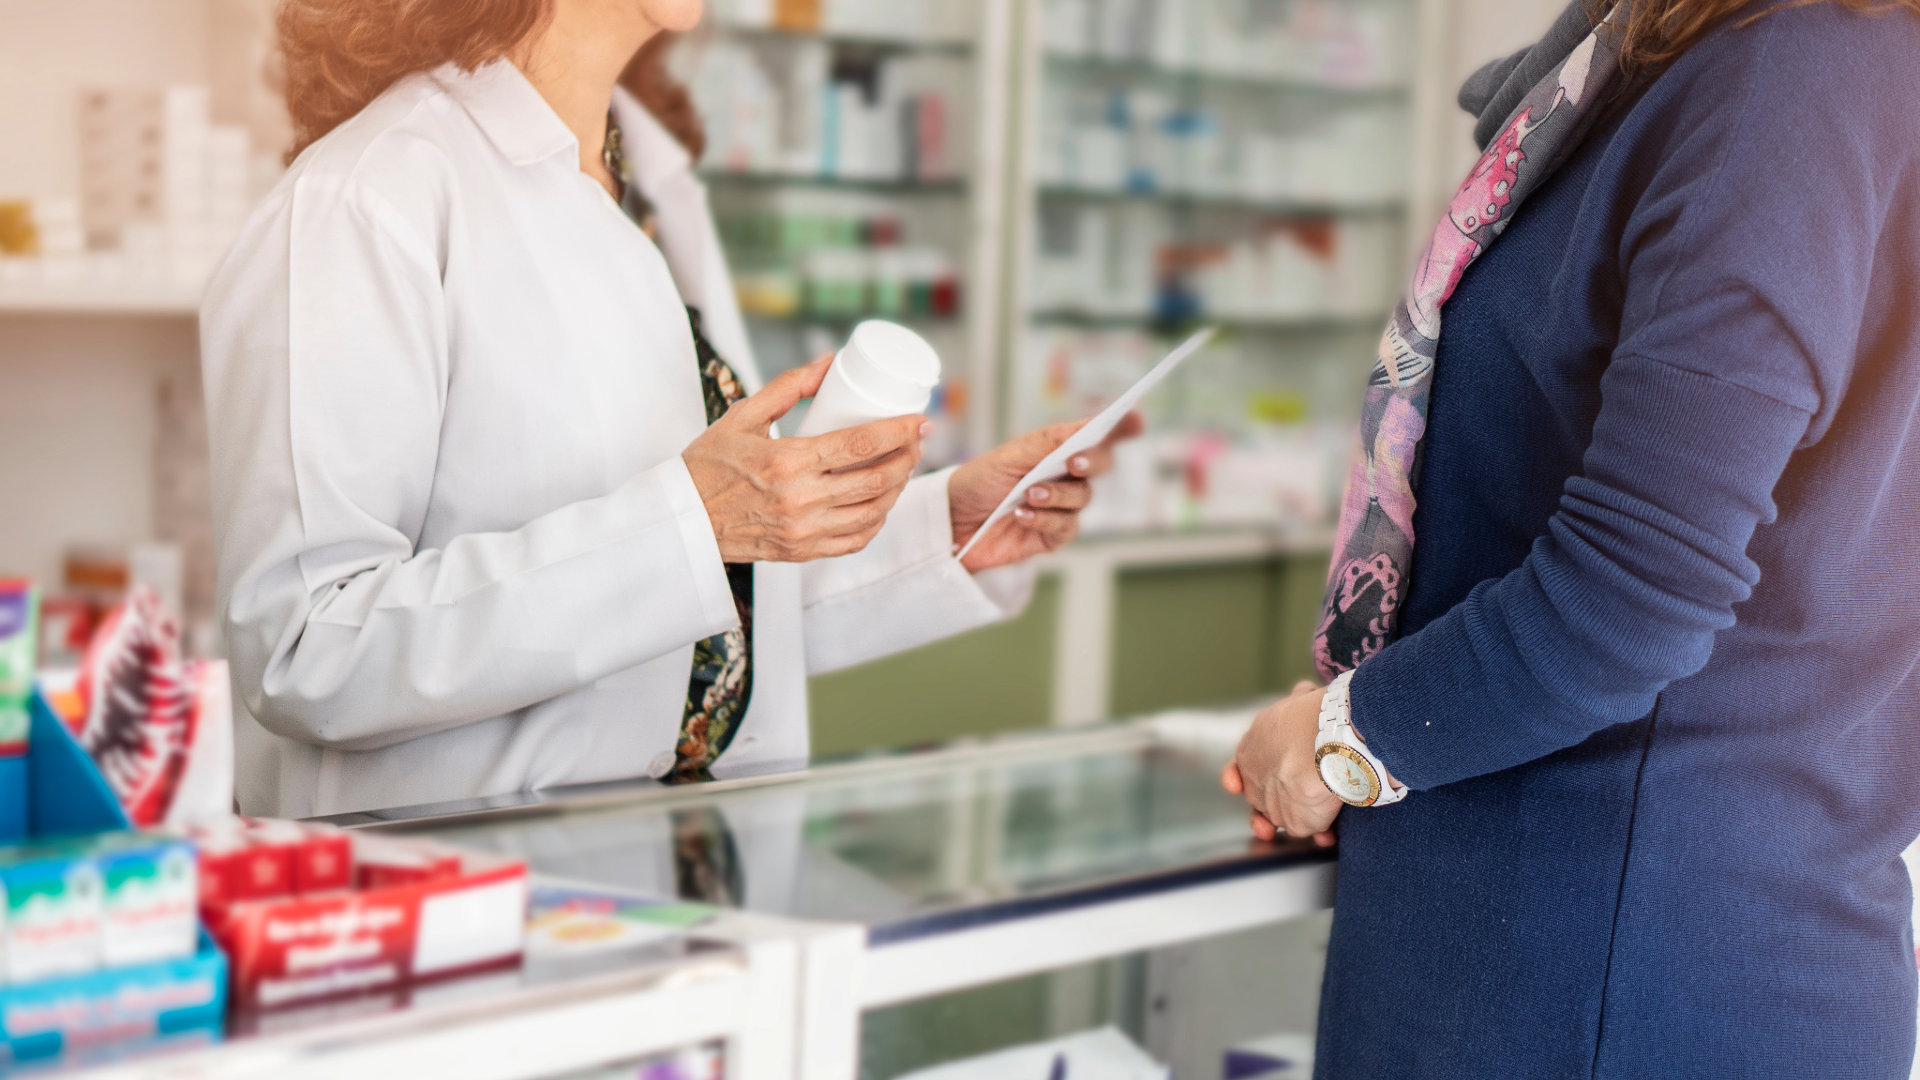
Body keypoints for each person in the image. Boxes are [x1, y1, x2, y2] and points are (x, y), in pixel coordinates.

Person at [201, 0, 1137, 818]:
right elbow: (306, 650)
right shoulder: (363, 202)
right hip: (459, 899)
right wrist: (691, 524)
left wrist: (945, 529)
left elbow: (694, 619)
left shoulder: (647, 186)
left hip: (679, 870)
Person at [1222, 0, 1920, 1074]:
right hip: (1574, 936)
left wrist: (1342, 740)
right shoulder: (1692, 68)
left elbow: (1632, 594)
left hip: (1603, 972)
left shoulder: (1790, 82)